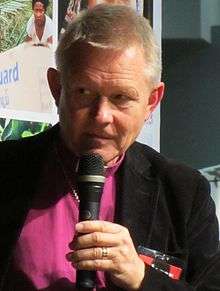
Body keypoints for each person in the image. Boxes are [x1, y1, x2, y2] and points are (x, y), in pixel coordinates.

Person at [0, 4, 220, 291]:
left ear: (152, 101)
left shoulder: (183, 193)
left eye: (121, 97)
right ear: (56, 88)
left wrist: (142, 278)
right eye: (84, 93)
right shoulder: (6, 171)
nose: (102, 116)